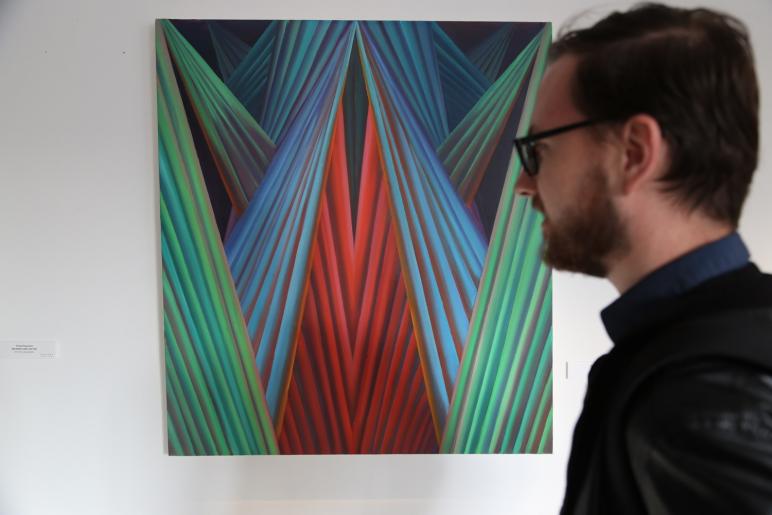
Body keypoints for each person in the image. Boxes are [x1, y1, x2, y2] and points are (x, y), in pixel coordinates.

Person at [513, 3, 772, 514]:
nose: (525, 184)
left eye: (539, 151)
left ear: (633, 153)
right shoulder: (696, 361)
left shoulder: (705, 396)